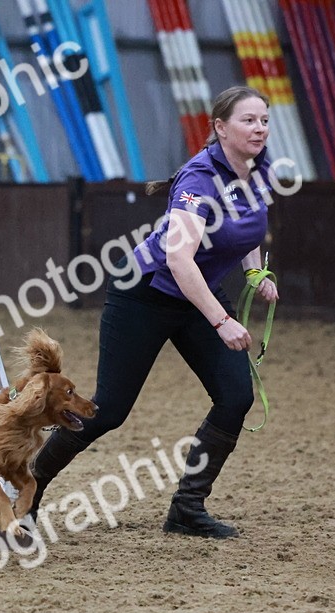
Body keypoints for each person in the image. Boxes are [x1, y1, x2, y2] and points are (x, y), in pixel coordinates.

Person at [30, 86, 280, 539]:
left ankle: (187, 509)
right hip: (144, 292)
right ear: (220, 128)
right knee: (107, 411)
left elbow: (247, 228)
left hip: (193, 296)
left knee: (235, 396)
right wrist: (222, 320)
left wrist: (253, 275)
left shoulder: (259, 170)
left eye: (264, 119)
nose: (259, 128)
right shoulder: (199, 179)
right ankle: (27, 488)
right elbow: (179, 259)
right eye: (248, 120)